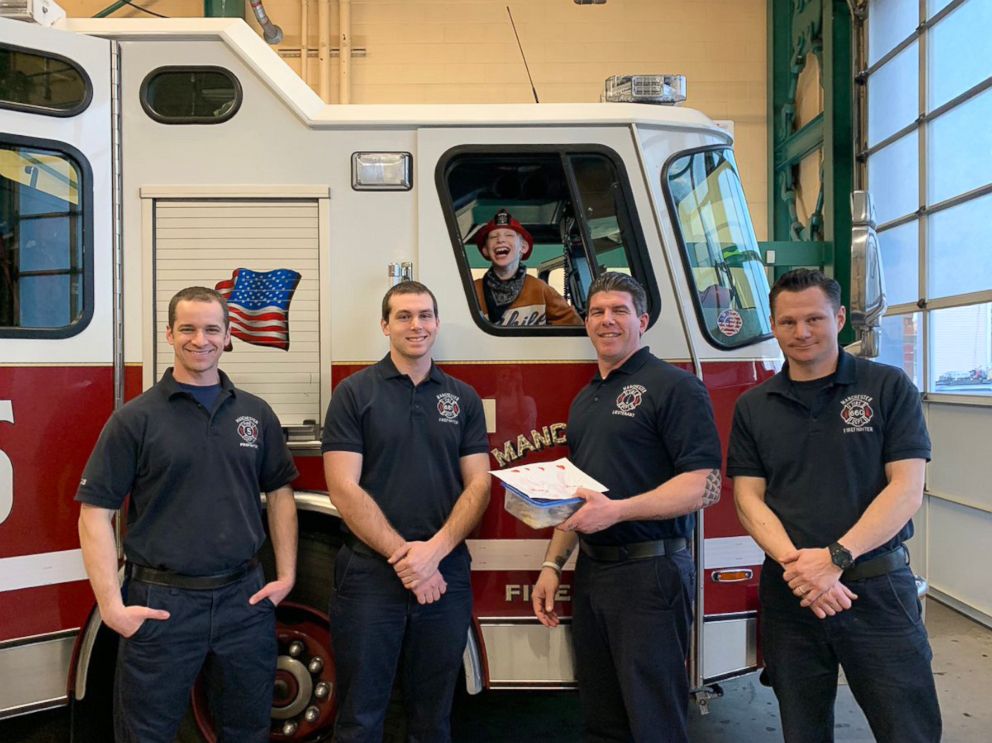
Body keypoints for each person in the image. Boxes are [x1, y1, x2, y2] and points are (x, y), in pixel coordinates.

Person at [76, 286, 299, 743]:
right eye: (189, 329)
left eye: (212, 329)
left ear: (228, 335)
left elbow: (279, 494)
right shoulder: (135, 420)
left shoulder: (255, 415)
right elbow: (95, 514)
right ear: (169, 334)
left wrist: (288, 576)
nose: (201, 339)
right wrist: (111, 606)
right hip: (162, 604)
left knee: (247, 731)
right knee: (147, 735)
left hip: (245, 600)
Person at [727, 268, 941, 743]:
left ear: (840, 318)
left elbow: (906, 489)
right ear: (773, 324)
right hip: (792, 595)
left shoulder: (888, 387)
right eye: (787, 322)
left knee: (907, 727)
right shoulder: (754, 405)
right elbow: (748, 499)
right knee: (802, 728)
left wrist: (836, 559)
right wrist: (803, 570)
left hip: (876, 590)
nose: (801, 333)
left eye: (814, 319)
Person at [531, 272, 723, 743]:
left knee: (653, 720)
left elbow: (707, 486)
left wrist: (618, 511)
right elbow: (577, 495)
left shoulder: (674, 387)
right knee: (603, 719)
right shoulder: (586, 398)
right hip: (594, 576)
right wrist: (553, 564)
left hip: (650, 576)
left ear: (643, 319)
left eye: (619, 311)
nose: (606, 320)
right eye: (597, 312)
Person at [322, 280, 491, 742]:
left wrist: (433, 554)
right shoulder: (354, 393)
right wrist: (409, 560)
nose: (416, 325)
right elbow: (341, 486)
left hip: (445, 574)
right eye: (404, 316)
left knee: (432, 718)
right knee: (360, 716)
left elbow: (478, 484)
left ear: (436, 323)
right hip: (370, 574)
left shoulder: (463, 398)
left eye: (425, 315)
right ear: (384, 325)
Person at [472, 208, 582, 326]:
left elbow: (573, 325)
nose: (500, 239)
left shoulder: (539, 289)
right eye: (493, 236)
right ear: (485, 250)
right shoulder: (472, 291)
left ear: (523, 247)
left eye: (509, 235)